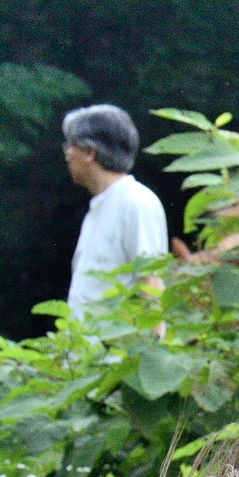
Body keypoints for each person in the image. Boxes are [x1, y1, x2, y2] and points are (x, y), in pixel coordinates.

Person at [62, 104, 168, 318]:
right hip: (85, 340)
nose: (67, 155)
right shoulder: (101, 206)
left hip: (118, 341)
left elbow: (151, 285)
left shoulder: (136, 203)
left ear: (90, 153)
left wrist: (152, 337)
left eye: (71, 145)